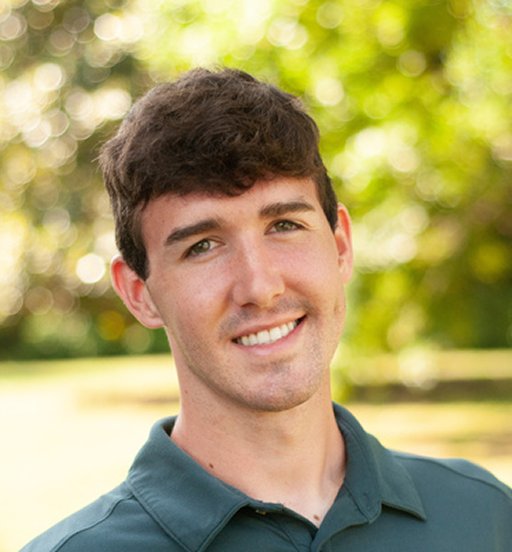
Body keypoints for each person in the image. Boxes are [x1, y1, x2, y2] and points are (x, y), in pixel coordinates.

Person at [21, 67, 511, 552]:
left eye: (284, 226)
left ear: (340, 246)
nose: (260, 287)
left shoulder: (485, 518)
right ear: (139, 293)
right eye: (202, 246)